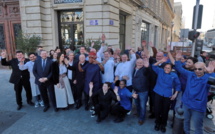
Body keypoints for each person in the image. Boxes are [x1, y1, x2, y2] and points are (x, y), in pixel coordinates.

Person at [174, 52, 215, 134]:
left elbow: (213, 81)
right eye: (195, 68)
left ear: (204, 69)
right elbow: (180, 69)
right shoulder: (190, 74)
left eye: (200, 69)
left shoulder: (207, 78)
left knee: (198, 128)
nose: (197, 71)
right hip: (186, 104)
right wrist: (177, 60)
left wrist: (211, 73)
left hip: (198, 107)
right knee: (186, 123)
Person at [152, 58, 181, 133]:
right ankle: (157, 123)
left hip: (168, 95)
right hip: (158, 93)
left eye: (168, 68)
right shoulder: (160, 71)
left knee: (165, 110)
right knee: (157, 109)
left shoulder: (174, 75)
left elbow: (178, 85)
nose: (166, 69)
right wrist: (161, 61)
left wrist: (175, 94)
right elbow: (153, 66)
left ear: (171, 69)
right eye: (165, 67)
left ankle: (163, 125)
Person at [132, 58, 150, 125]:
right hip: (135, 91)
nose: (139, 64)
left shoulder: (144, 69)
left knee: (142, 106)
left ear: (143, 64)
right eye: (138, 62)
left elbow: (147, 71)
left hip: (143, 91)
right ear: (136, 63)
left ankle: (141, 118)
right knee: (137, 104)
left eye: (141, 63)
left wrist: (147, 67)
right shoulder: (134, 69)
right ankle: (139, 114)